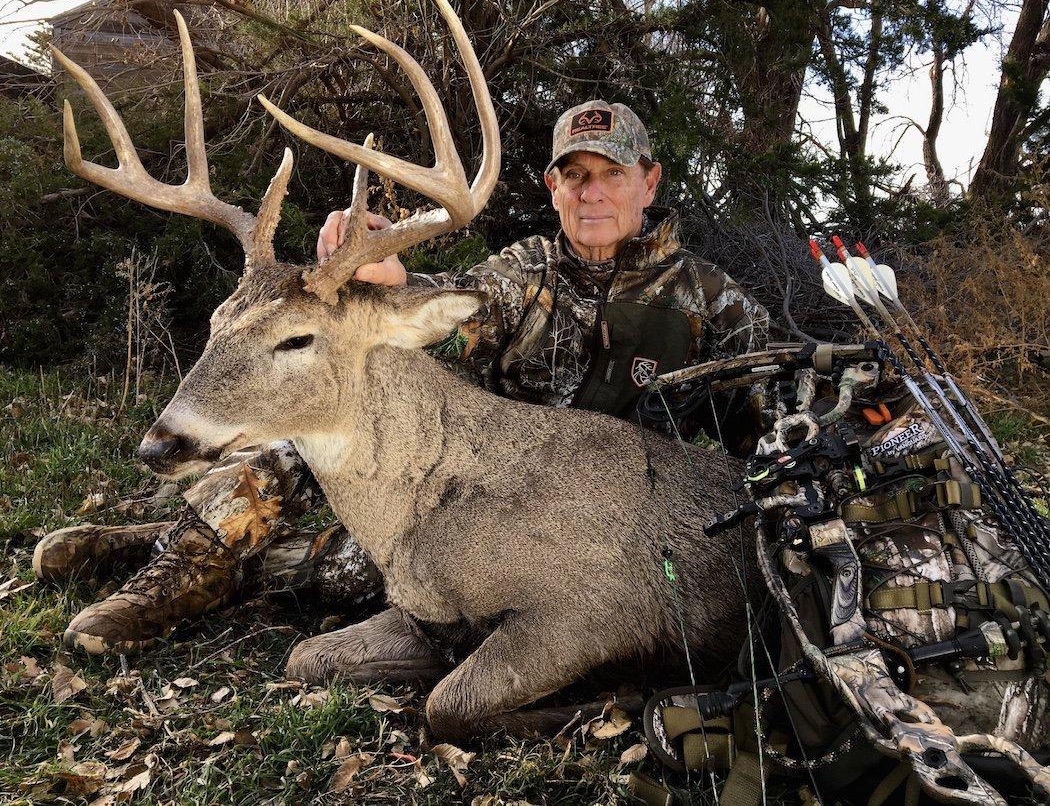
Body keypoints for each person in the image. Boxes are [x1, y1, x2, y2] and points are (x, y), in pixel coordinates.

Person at [36, 100, 770, 666]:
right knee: (309, 426)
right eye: (576, 175)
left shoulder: (710, 296)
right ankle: (176, 564)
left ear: (649, 182)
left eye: (613, 173)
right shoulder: (528, 270)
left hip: (586, 526)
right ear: (553, 188)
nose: (594, 192)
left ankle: (178, 543)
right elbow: (455, 307)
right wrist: (391, 277)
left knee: (348, 576)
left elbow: (777, 404)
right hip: (481, 482)